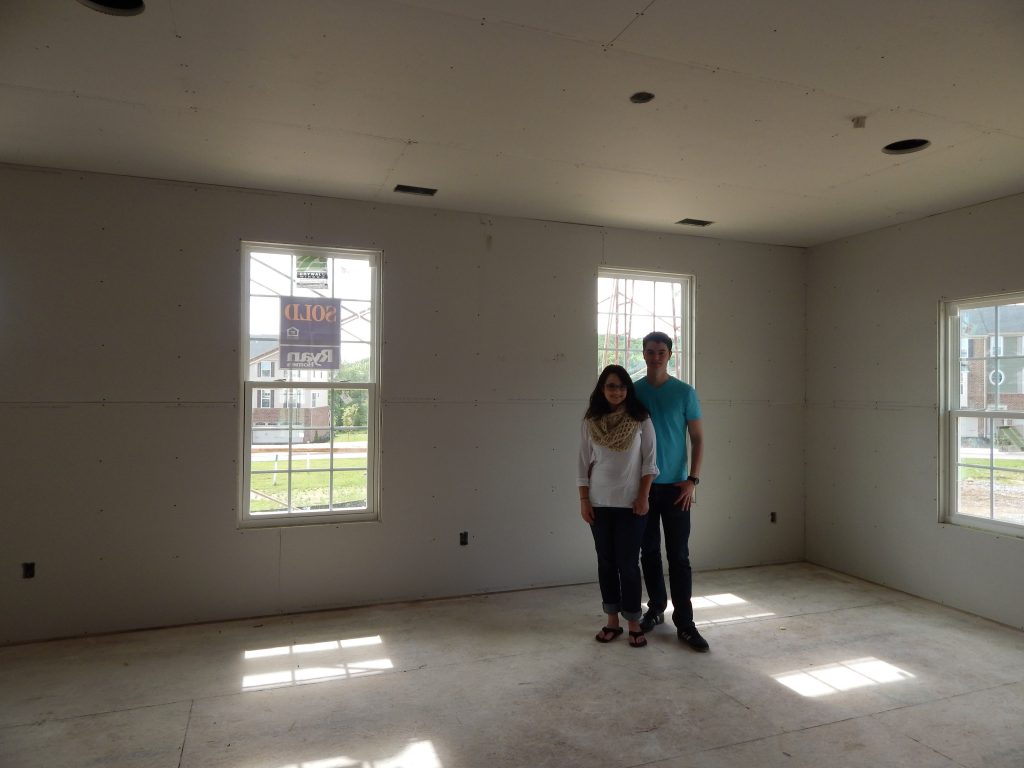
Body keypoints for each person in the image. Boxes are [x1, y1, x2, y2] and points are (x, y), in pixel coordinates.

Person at [634, 331, 708, 651]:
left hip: (678, 489)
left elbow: (699, 439)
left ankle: (686, 623)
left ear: (670, 354)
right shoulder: (633, 392)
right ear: (643, 353)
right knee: (648, 553)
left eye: (661, 351)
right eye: (650, 351)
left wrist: (693, 480)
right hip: (643, 488)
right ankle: (655, 609)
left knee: (678, 556)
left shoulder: (684, 392)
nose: (655, 356)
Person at [578, 365, 659, 648]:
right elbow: (582, 464)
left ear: (628, 390)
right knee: (606, 562)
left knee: (628, 563)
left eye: (622, 386)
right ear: (602, 389)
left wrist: (643, 496)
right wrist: (584, 499)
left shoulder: (641, 419)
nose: (617, 391)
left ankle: (634, 621)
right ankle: (612, 621)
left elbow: (650, 463)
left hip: (631, 504)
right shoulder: (591, 421)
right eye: (611, 386)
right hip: (599, 504)